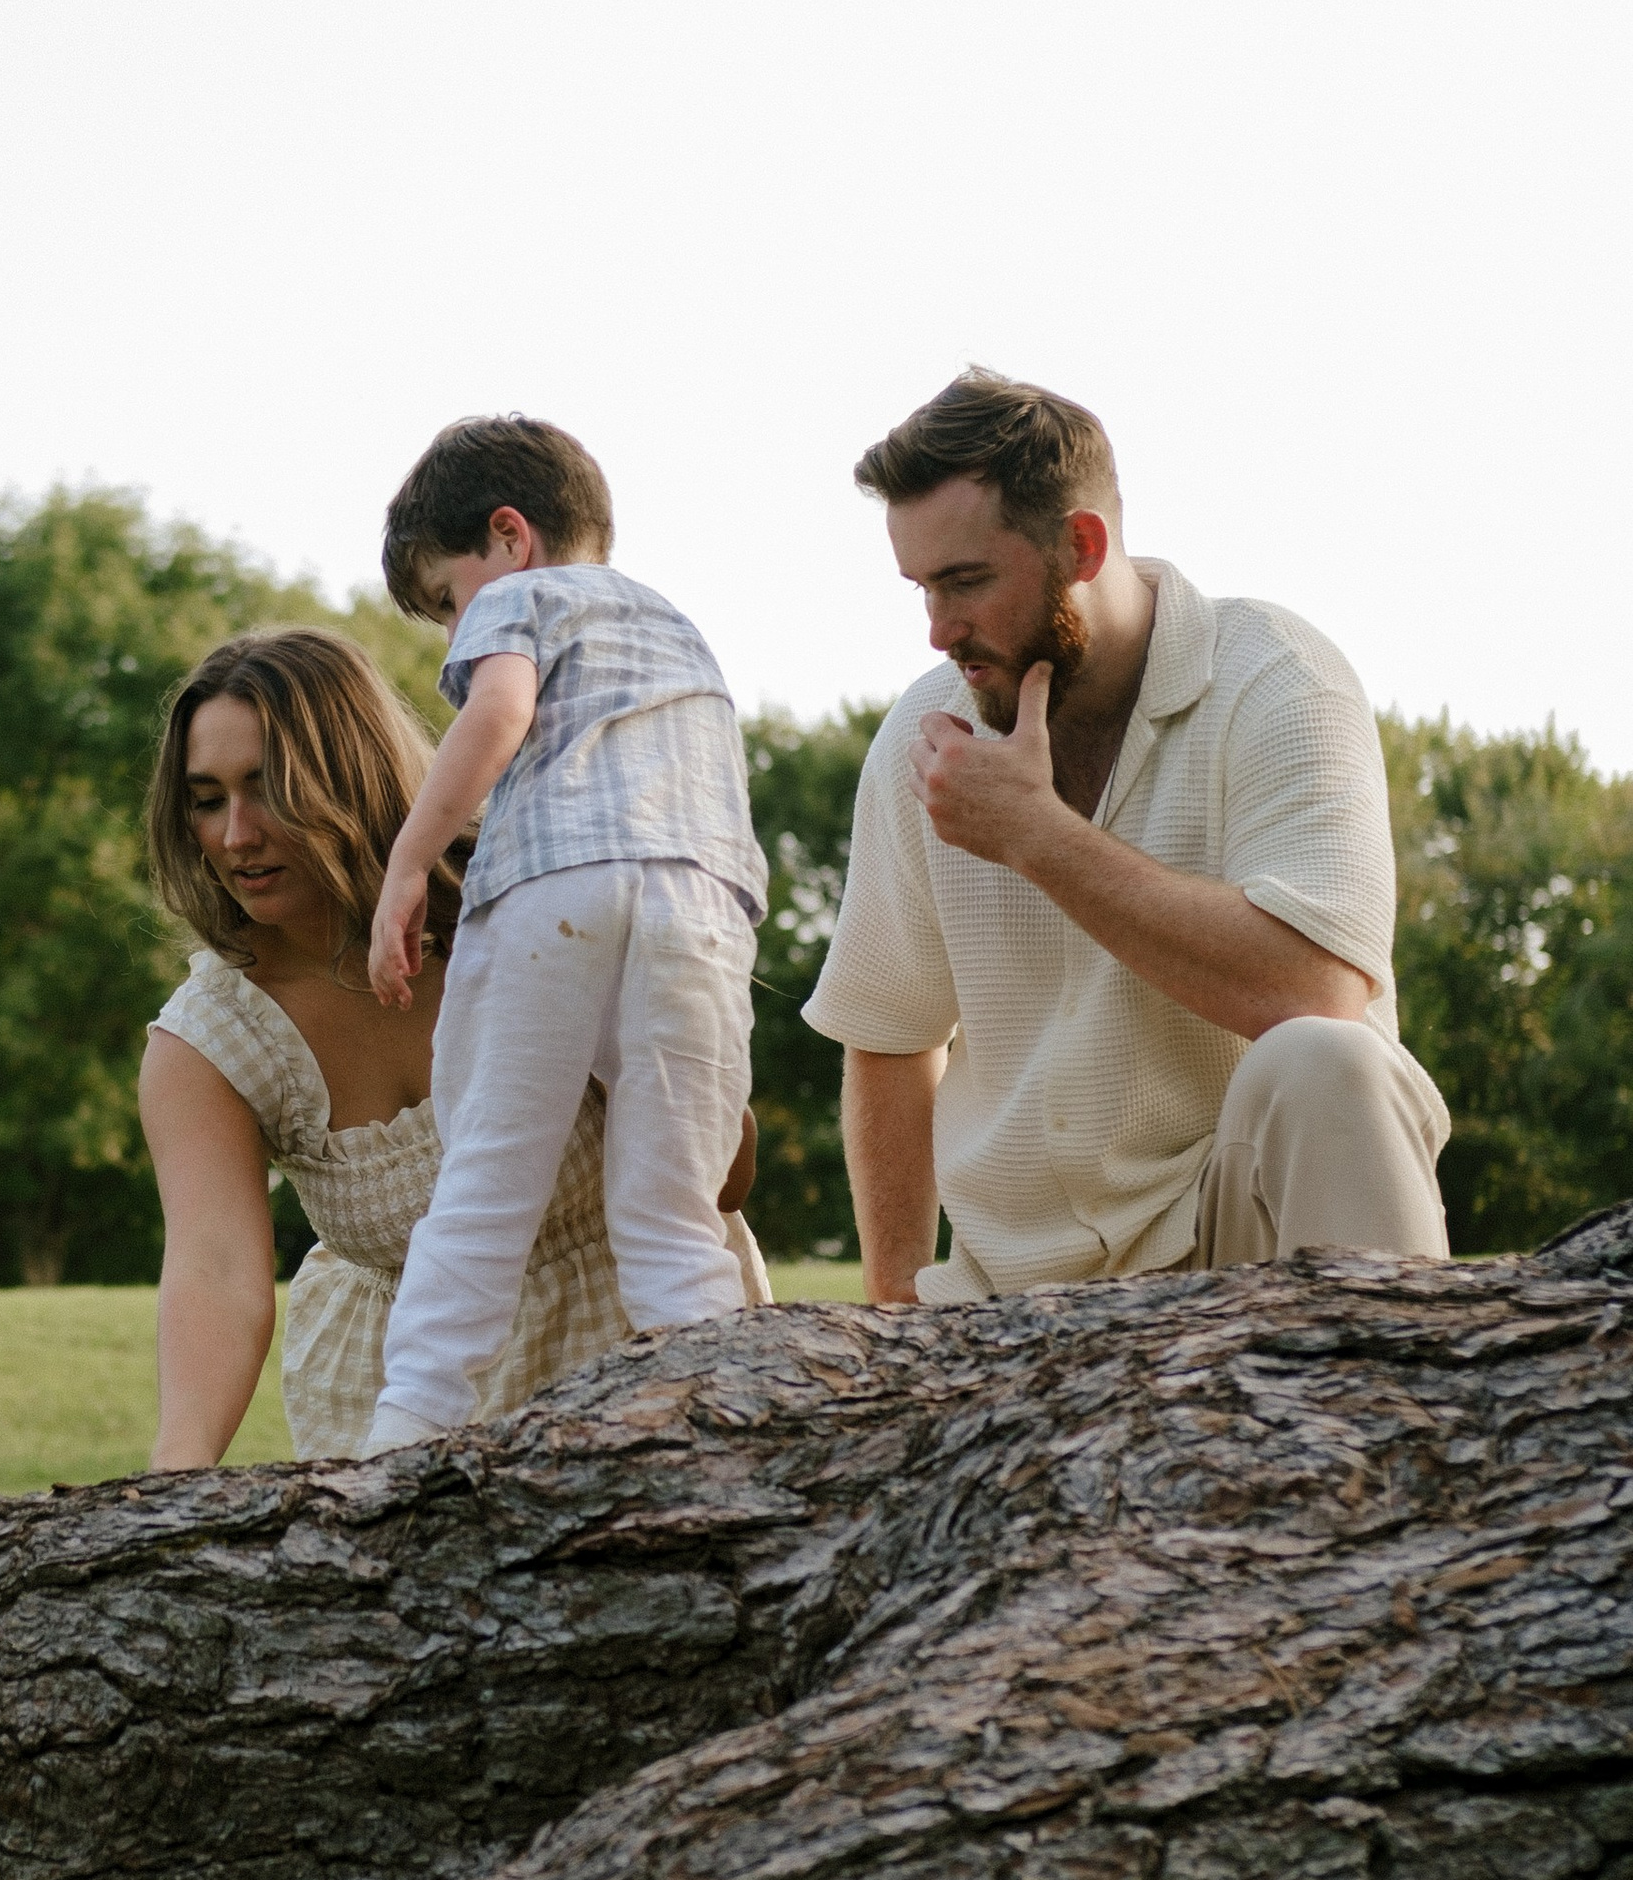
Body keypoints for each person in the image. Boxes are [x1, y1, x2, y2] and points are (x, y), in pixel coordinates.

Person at [805, 369, 1450, 1306]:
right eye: (921, 588)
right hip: (1006, 1294)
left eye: (967, 581)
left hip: (1238, 1241)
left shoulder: (1278, 678)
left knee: (1327, 1058)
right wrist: (892, 1321)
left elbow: (1316, 988)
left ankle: (1402, 1415)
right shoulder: (923, 736)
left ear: (1081, 544)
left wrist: (1037, 837)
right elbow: (890, 1041)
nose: (940, 630)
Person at [140, 623, 766, 1466]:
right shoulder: (210, 1037)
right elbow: (216, 1273)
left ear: (350, 779)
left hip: (629, 1334)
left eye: (270, 789)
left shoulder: (525, 904)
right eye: (207, 799)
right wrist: (171, 1485)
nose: (235, 835)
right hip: (398, 1391)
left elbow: (724, 1174)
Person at [361, 415, 770, 1454]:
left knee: (488, 1179)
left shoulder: (516, 596)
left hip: (554, 886)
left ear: (509, 535)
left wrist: (410, 863)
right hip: (702, 906)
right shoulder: (677, 625)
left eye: (447, 600)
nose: (457, 627)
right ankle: (715, 1430)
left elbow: (496, 712)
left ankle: (407, 1429)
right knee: (675, 1209)